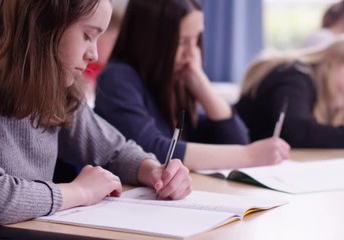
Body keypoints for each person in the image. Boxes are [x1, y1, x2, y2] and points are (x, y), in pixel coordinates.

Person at [0, 1, 192, 239]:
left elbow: (114, 150)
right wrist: (80, 191)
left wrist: (153, 170)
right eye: (87, 35)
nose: (93, 54)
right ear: (44, 25)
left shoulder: (52, 85)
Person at [94, 0, 290, 171]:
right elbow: (152, 150)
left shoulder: (176, 79)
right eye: (182, 42)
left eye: (197, 39)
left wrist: (201, 83)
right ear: (150, 41)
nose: (192, 53)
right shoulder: (117, 78)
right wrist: (248, 155)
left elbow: (235, 140)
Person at [236, 36, 344, 148]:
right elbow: (294, 131)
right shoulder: (294, 75)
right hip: (236, 154)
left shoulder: (323, 94)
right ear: (332, 60)